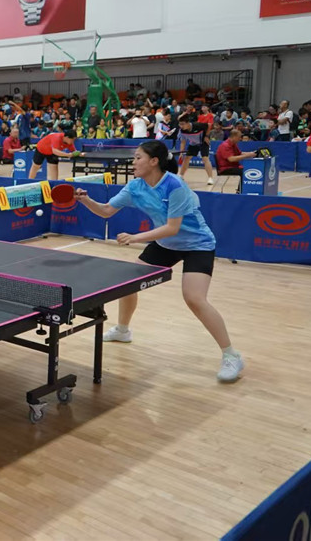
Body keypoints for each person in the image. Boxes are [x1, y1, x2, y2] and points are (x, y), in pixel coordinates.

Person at [73, 141, 243, 382]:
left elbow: (173, 227)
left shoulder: (175, 185)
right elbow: (107, 211)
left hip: (197, 245)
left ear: (154, 161)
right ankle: (122, 330)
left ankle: (231, 355)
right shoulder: (135, 186)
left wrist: (135, 237)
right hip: (166, 245)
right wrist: (86, 200)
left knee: (194, 299)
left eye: (138, 157)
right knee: (128, 280)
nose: (133, 162)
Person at [176, 117, 215, 185]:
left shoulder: (197, 125)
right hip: (193, 143)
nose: (181, 126)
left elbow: (209, 125)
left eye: (183, 124)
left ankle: (210, 178)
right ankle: (181, 175)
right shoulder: (182, 131)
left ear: (188, 123)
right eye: (180, 124)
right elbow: (183, 142)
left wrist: (206, 136)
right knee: (186, 158)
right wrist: (181, 153)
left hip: (203, 142)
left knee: (205, 158)